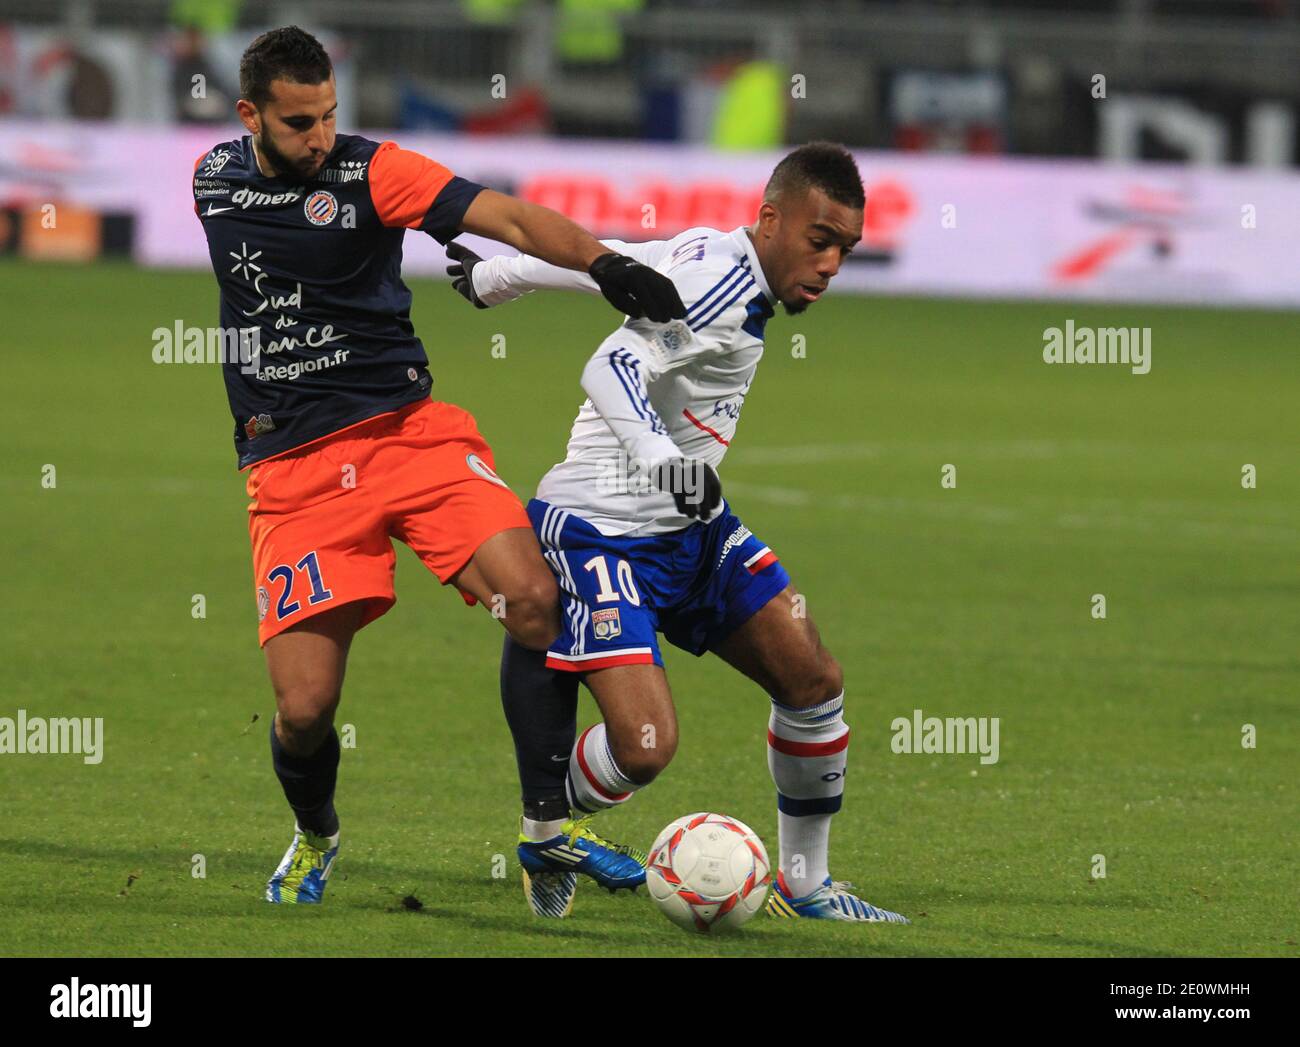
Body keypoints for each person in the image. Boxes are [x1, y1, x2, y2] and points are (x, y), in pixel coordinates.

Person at [192, 25, 682, 904]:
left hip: (411, 438)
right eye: (299, 122)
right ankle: (315, 836)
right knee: (303, 712)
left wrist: (608, 262)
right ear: (249, 116)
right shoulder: (211, 180)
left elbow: (513, 217)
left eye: (330, 116)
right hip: (293, 472)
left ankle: (546, 831)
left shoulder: (372, 172)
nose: (320, 137)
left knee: (534, 600)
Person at [447, 142, 909, 923]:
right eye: (819, 239)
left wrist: (504, 276)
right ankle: (547, 813)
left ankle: (806, 883)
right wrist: (665, 461)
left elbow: (622, 260)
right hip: (599, 526)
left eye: (846, 249)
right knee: (646, 748)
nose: (831, 263)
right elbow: (609, 369)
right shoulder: (721, 284)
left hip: (689, 528)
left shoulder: (715, 257)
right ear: (770, 220)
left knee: (812, 681)